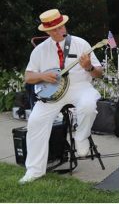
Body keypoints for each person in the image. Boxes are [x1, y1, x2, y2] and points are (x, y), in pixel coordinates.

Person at [19, 9, 103, 184]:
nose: (59, 32)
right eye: (54, 30)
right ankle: (34, 170)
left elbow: (99, 74)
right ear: (47, 32)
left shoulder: (81, 44)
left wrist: (88, 67)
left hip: (80, 87)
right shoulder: (40, 50)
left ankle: (81, 136)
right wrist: (42, 77)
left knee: (88, 105)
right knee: (35, 121)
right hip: (53, 93)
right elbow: (28, 77)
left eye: (60, 27)